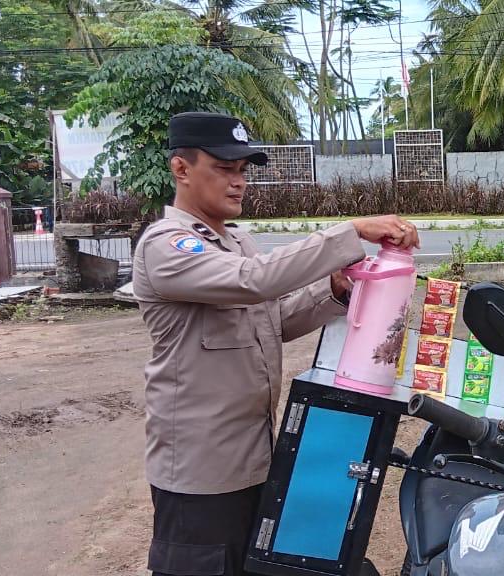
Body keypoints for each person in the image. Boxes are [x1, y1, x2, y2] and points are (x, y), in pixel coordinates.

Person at [132, 111, 421, 576]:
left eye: (243, 170)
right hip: (201, 469)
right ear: (181, 169)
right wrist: (350, 232)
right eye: (224, 169)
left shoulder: (235, 243)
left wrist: (334, 290)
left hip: (255, 454)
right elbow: (255, 282)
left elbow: (271, 320)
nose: (238, 182)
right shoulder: (167, 246)